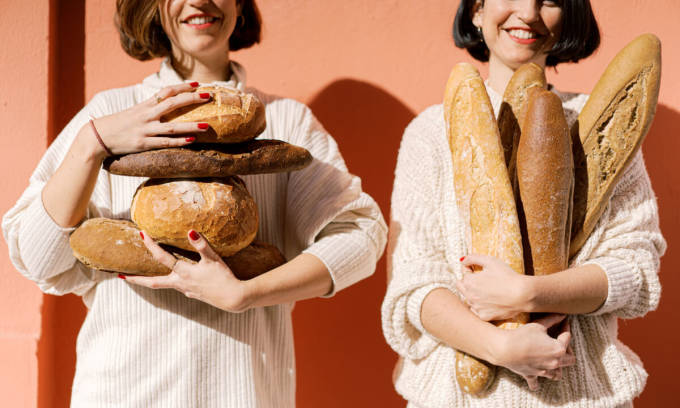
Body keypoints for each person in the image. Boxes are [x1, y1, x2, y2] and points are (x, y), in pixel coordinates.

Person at [2, 0, 386, 406]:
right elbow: (38, 259)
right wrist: (90, 144)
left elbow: (361, 235)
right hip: (122, 393)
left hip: (244, 394)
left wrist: (248, 293)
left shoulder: (285, 123)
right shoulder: (110, 115)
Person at [381, 0, 665, 407]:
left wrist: (527, 294)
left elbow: (635, 270)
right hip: (455, 396)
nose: (527, 13)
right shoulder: (430, 132)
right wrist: (499, 348)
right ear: (476, 10)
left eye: (548, 0)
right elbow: (414, 282)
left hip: (583, 395)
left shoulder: (599, 124)